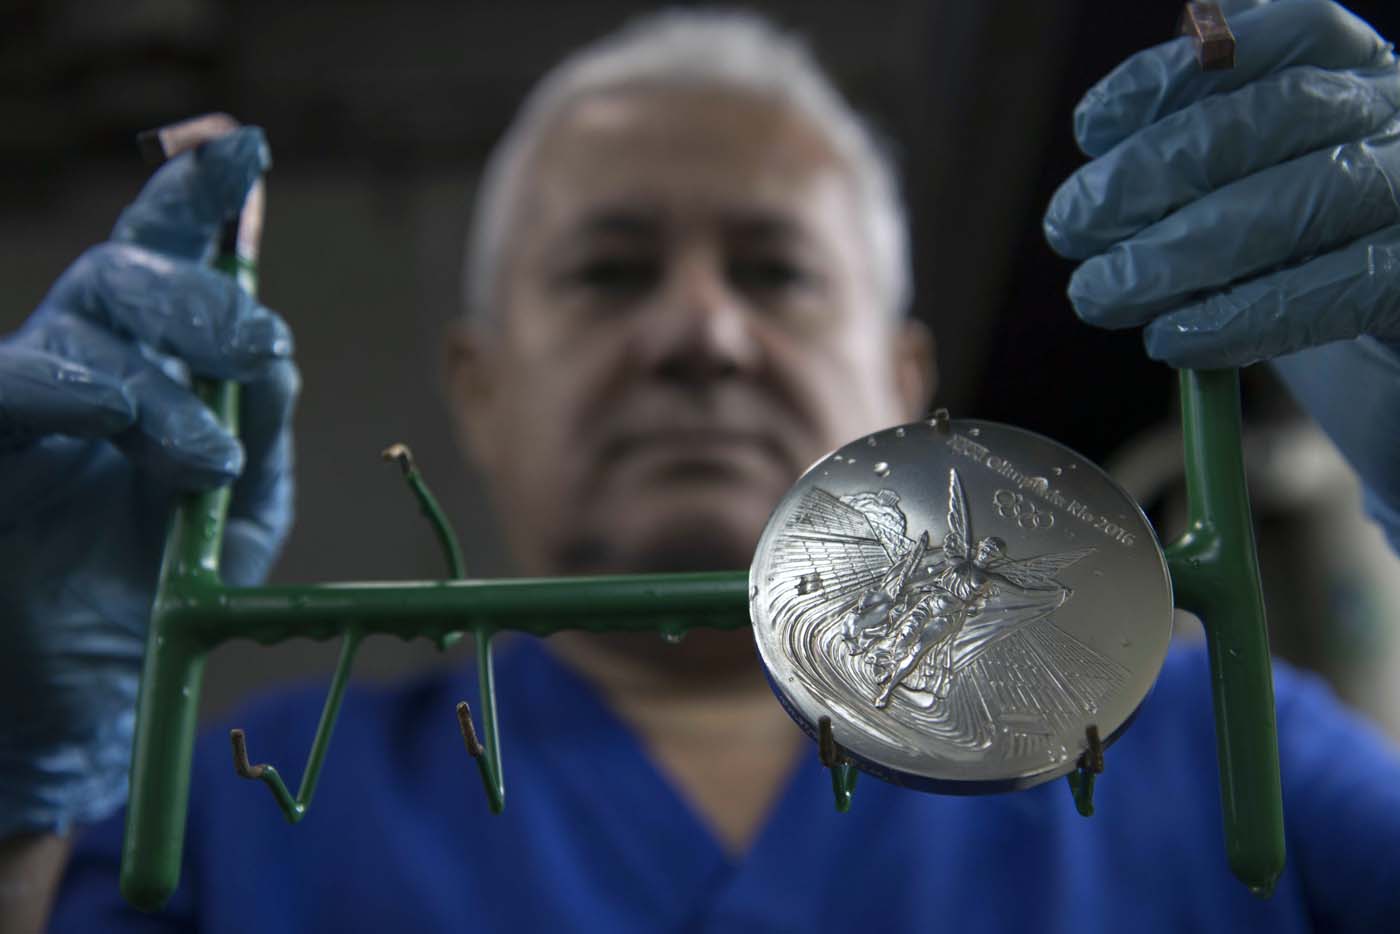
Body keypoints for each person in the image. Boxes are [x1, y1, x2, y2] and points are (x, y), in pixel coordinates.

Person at [3, 2, 1400, 931]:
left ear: (904, 383)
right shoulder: (247, 806)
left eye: (776, 271)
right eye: (610, 271)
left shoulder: (1206, 742)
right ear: (478, 389)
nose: (699, 332)